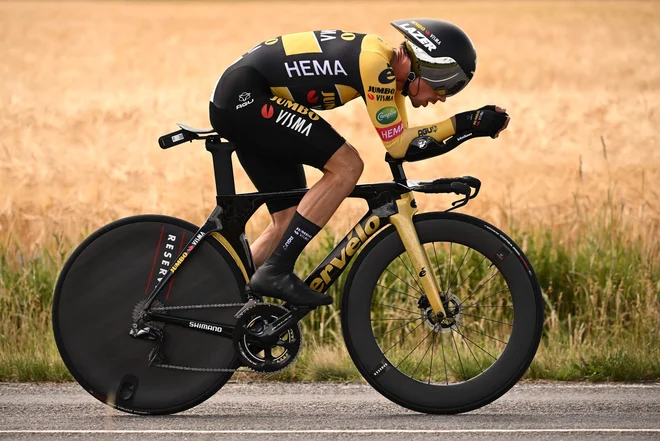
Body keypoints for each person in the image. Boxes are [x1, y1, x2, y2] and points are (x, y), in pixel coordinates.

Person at [208, 18, 510, 307]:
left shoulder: (388, 68)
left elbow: (400, 146)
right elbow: (397, 144)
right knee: (348, 165)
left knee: (287, 219)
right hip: (245, 99)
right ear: (429, 67)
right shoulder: (376, 66)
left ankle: (223, 302)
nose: (443, 97)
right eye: (447, 85)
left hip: (242, 97)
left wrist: (470, 126)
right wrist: (463, 122)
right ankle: (275, 272)